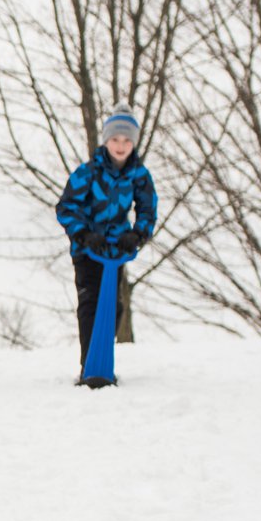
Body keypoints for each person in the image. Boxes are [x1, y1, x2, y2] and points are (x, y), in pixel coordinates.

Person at [55, 106, 157, 370]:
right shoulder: (88, 172)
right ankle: (89, 366)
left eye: (126, 140)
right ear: (106, 141)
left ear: (133, 143)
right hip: (87, 250)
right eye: (115, 139)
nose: (120, 146)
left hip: (115, 249)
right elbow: (66, 207)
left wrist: (136, 234)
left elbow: (147, 208)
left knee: (114, 306)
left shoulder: (139, 175)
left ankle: (101, 356)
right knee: (90, 302)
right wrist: (83, 234)